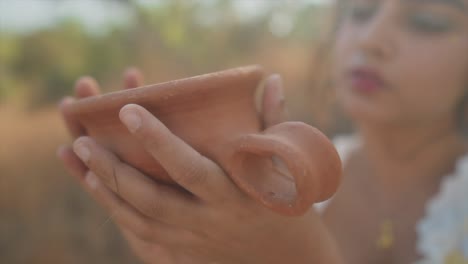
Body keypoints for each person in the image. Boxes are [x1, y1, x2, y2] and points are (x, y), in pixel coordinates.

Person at [57, 0, 468, 263]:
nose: (372, 40)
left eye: (427, 21)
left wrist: (298, 256)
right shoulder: (267, 185)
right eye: (360, 11)